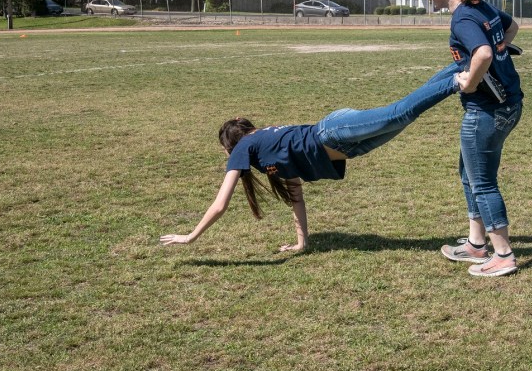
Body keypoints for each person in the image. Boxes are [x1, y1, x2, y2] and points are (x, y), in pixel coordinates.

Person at [160, 67, 464, 252]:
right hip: (348, 146)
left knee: (401, 112)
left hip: (332, 132)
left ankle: (460, 78)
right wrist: (302, 242)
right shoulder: (267, 153)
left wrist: (191, 236)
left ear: (231, 145)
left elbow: (220, 204)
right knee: (405, 115)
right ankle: (457, 68)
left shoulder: (245, 147)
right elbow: (296, 198)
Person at [423, 0, 524, 277]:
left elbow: (482, 53)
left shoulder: (463, 17)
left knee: (481, 181)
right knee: (469, 173)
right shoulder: (481, 6)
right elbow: (512, 26)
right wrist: (501, 50)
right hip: (509, 104)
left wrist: (471, 80)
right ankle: (476, 244)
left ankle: (503, 255)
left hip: (487, 110)